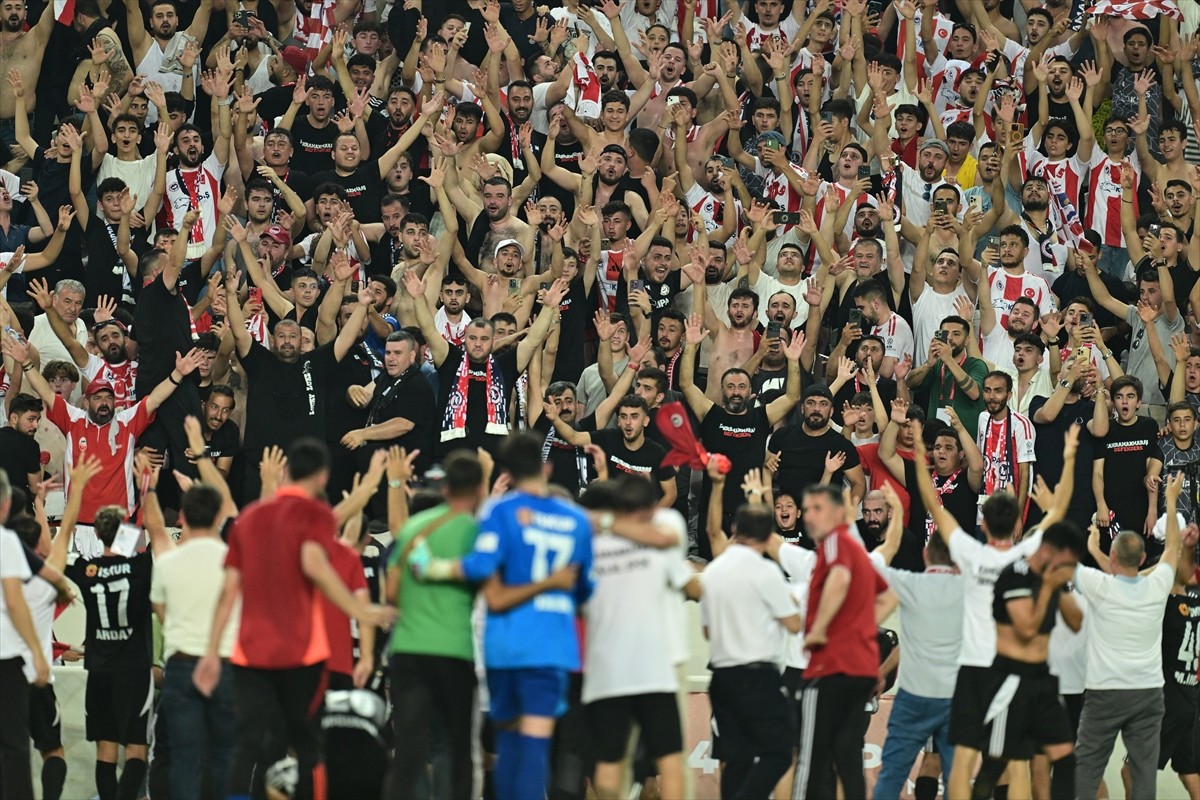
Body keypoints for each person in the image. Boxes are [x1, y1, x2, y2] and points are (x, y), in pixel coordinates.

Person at [193, 438, 395, 800]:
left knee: (248, 744)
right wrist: (360, 610)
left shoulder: (249, 519)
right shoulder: (313, 517)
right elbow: (316, 563)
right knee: (308, 746)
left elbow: (228, 593)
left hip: (250, 654)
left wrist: (211, 651)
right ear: (322, 476)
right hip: (300, 654)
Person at [408, 433, 594, 800]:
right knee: (534, 745)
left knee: (508, 744)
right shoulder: (576, 520)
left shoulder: (498, 511)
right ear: (547, 467)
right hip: (550, 647)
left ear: (507, 471)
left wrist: (433, 568)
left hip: (504, 647)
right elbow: (585, 591)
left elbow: (480, 567)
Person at [915, 416, 1079, 800]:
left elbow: (933, 505)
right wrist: (1069, 459)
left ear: (983, 524)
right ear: (1017, 521)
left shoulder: (970, 553)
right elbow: (1058, 512)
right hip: (1009, 669)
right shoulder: (1026, 555)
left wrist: (922, 459)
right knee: (1013, 758)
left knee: (962, 754)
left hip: (971, 666)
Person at [1073, 472, 1184, 799]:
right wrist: (1173, 500)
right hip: (1148, 692)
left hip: (1104, 692)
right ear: (1142, 560)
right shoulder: (1157, 584)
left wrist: (1091, 545)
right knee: (1143, 771)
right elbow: (1172, 551)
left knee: (1086, 767)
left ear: (1112, 558)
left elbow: (1061, 560)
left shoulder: (1099, 585)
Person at [147, 417, 240, 800]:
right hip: (224, 664)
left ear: (183, 517)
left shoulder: (169, 561)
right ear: (218, 516)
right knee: (222, 757)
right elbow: (231, 506)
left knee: (184, 758)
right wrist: (200, 454)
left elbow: (160, 609)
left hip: (183, 666)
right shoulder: (235, 557)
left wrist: (149, 488)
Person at [700, 503, 801, 800]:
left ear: (735, 530)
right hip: (757, 677)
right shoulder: (767, 572)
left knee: (737, 758)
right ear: (769, 535)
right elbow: (794, 625)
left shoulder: (713, 571)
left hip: (720, 676)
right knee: (780, 751)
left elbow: (706, 631)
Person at [869, 483, 963, 800]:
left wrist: (881, 672)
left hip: (914, 696)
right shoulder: (970, 590)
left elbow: (882, 558)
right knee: (956, 779)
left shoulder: (910, 583)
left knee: (892, 773)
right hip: (955, 696)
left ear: (925, 554)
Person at [795, 484, 889, 800]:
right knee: (847, 757)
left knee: (810, 758)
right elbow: (889, 595)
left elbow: (839, 578)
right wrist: (861, 633)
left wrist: (819, 628)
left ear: (839, 513)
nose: (809, 516)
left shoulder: (834, 543)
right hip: (860, 670)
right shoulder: (857, 550)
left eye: (816, 508)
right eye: (806, 509)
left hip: (829, 666)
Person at [0, 469, 52, 800]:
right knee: (14, 746)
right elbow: (15, 602)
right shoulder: (5, 541)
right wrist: (36, 650)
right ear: (5, 504)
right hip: (4, 658)